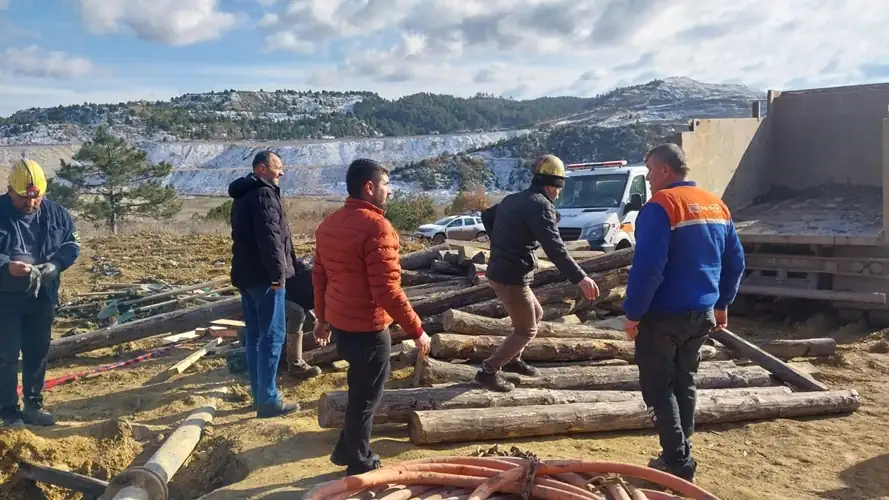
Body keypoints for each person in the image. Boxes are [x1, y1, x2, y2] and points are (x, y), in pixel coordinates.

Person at [622, 143, 745, 483]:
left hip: (664, 317)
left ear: (665, 170)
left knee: (660, 388)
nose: (647, 177)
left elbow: (649, 269)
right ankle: (681, 448)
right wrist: (722, 304)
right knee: (685, 382)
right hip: (701, 314)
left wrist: (633, 313)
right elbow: (736, 262)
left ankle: (678, 463)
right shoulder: (715, 204)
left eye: (649, 169)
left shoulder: (661, 206)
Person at [312, 158, 432, 476]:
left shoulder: (329, 224)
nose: (389, 192)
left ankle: (345, 449)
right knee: (367, 397)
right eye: (386, 185)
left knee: (359, 389)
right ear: (370, 187)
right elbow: (387, 292)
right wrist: (417, 330)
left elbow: (320, 277)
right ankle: (359, 462)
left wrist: (322, 319)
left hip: (341, 325)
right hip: (368, 329)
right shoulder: (377, 227)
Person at [476, 154, 600, 392]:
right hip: (511, 276)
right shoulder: (541, 205)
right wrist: (580, 278)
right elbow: (556, 249)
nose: (558, 194)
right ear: (552, 186)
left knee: (537, 312)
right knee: (526, 329)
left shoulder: (514, 199)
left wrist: (503, 243)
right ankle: (488, 371)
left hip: (503, 270)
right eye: (558, 189)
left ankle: (512, 359)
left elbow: (486, 216)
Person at [0, 159, 80, 428]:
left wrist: (55, 265)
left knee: (37, 352)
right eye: (24, 198)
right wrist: (6, 267)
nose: (30, 204)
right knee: (6, 355)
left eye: (36, 198)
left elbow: (71, 243)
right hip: (5, 298)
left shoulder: (56, 213)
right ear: (10, 189)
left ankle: (33, 405)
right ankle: (8, 412)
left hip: (41, 294)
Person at [229, 150, 301, 418]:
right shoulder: (264, 194)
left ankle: (259, 395)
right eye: (277, 167)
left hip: (246, 277)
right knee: (272, 336)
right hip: (264, 278)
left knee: (255, 337)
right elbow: (271, 239)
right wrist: (278, 276)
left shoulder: (242, 195)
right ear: (261, 169)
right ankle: (268, 399)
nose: (281, 173)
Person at [283, 256, 322, 379]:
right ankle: (295, 364)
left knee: (300, 313)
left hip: (295, 291)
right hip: (276, 288)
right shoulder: (325, 276)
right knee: (297, 313)